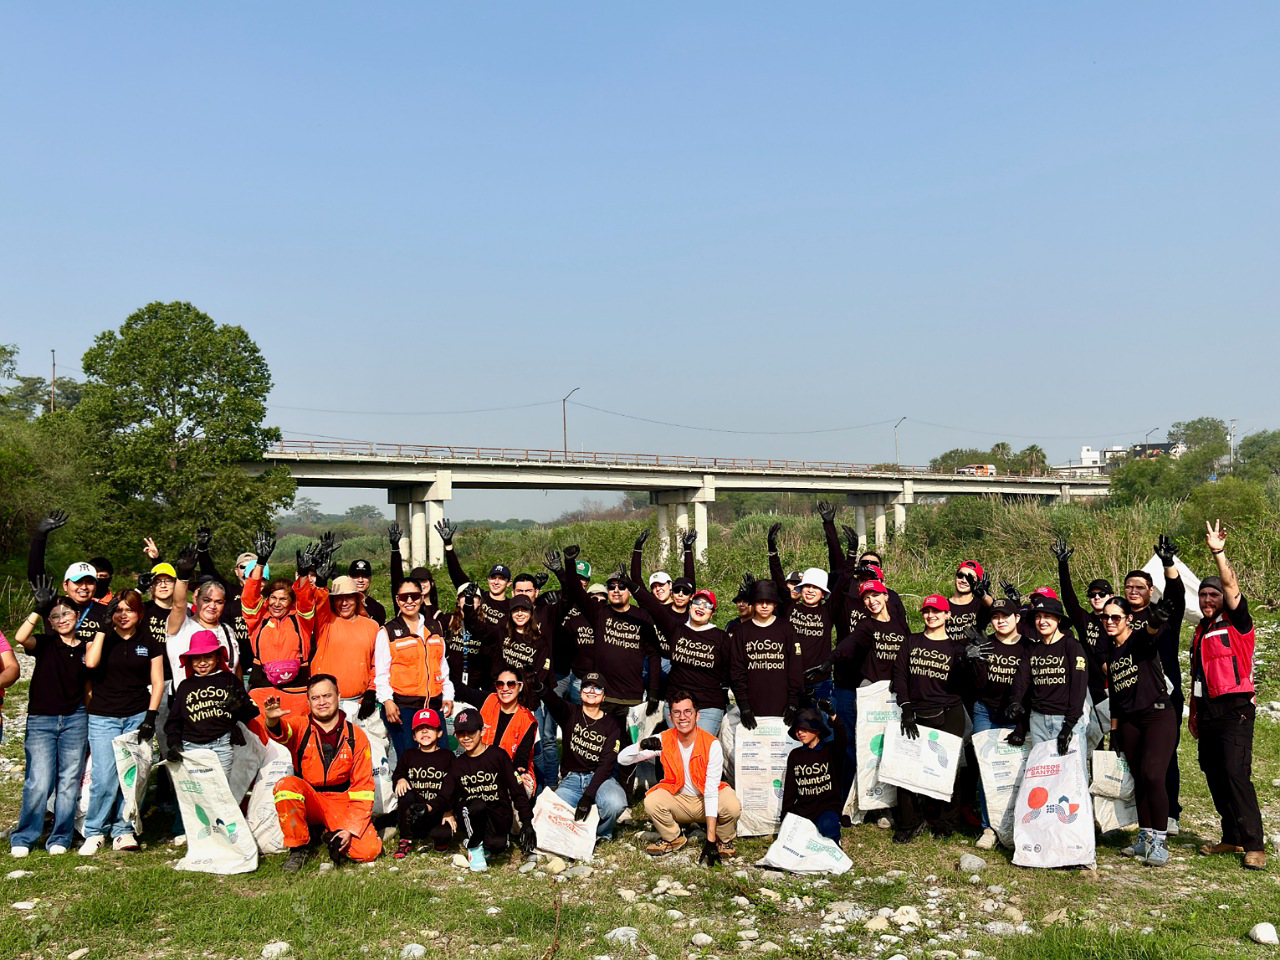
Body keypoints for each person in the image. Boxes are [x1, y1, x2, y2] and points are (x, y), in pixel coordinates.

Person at [1190, 520, 1265, 870]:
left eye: (1214, 594)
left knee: (1236, 773)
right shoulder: (1200, 630)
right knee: (1214, 772)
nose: (1208, 599)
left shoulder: (1237, 623)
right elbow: (1197, 677)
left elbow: (1232, 584)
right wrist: (1193, 715)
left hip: (1235, 709)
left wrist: (1218, 553)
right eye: (1204, 595)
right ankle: (1232, 836)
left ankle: (1254, 845)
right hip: (1208, 713)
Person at [890, 594, 985, 843]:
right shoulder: (910, 641)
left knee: (947, 768)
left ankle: (946, 821)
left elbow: (969, 683)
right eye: (927, 611)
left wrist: (970, 662)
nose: (931, 616)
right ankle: (910, 821)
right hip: (915, 711)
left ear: (947, 615)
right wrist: (906, 707)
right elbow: (900, 676)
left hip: (949, 713)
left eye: (937, 611)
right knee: (907, 769)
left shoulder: (956, 647)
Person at [545, 548, 661, 741]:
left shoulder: (642, 616)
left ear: (629, 591)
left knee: (627, 752)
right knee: (599, 748)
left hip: (631, 698)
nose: (616, 590)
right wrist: (568, 564)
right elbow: (575, 591)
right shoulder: (599, 613)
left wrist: (654, 692)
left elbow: (654, 655)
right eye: (612, 587)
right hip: (603, 697)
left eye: (621, 586)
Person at [268, 674, 382, 871]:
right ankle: (299, 848)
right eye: (315, 698)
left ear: (338, 696)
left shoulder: (356, 736)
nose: (322, 702)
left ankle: (324, 832)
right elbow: (281, 732)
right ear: (309, 701)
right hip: (311, 797)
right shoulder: (300, 726)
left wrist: (350, 829)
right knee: (285, 786)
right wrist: (271, 721)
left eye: (327, 696)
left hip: (341, 801)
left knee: (368, 852)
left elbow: (363, 788)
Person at [80, 590, 164, 854]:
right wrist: (104, 629)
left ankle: (123, 829)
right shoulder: (102, 638)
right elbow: (91, 664)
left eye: (129, 609)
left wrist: (151, 716)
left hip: (137, 715)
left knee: (132, 776)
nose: (123, 615)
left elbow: (158, 681)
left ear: (140, 613)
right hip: (103, 716)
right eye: (118, 609)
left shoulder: (149, 641)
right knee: (104, 776)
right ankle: (94, 830)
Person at [1099, 594, 1179, 866]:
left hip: (1157, 717)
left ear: (1128, 619)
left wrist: (1155, 620)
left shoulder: (1137, 641)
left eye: (1116, 617)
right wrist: (1114, 732)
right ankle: (1144, 836)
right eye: (1105, 617)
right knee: (1139, 779)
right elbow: (1117, 701)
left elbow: (1149, 634)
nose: (1109, 621)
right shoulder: (1112, 652)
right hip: (1129, 722)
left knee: (1153, 775)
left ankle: (1160, 840)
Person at [10, 582, 89, 858]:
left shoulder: (86, 650)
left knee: (69, 781)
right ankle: (25, 835)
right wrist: (37, 609)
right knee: (39, 781)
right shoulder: (44, 644)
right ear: (50, 623)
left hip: (75, 720)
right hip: (41, 721)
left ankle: (61, 836)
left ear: (77, 617)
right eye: (55, 616)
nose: (61, 619)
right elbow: (21, 637)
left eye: (66, 614)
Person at [618, 691, 741, 863]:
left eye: (687, 712)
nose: (682, 717)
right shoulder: (664, 739)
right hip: (679, 800)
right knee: (652, 800)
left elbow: (711, 792)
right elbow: (622, 759)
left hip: (704, 800)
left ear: (697, 716)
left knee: (731, 803)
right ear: (671, 716)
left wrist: (710, 841)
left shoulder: (711, 744)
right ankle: (673, 837)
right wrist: (641, 745)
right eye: (677, 712)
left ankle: (723, 839)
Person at [1119, 534, 1185, 835]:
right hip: (1128, 700)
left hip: (1164, 698)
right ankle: (1142, 820)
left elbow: (1176, 593)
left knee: (1163, 759)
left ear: (1150, 591)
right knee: (1136, 763)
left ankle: (1170, 813)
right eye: (1128, 587)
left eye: (1139, 587)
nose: (1133, 591)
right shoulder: (1116, 619)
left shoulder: (1164, 615)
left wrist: (1167, 563)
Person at [831, 579, 909, 800]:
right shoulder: (866, 625)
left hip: (896, 692)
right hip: (871, 691)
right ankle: (863, 798)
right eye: (866, 598)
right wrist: (831, 659)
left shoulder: (900, 625)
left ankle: (889, 802)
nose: (871, 601)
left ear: (886, 596)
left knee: (893, 746)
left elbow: (907, 655)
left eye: (875, 595)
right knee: (869, 747)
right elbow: (850, 643)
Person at [628, 575, 729, 735]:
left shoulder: (721, 637)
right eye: (697, 602)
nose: (701, 607)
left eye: (707, 605)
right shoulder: (676, 630)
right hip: (676, 704)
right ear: (690, 606)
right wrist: (633, 586)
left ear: (712, 612)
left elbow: (733, 669)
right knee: (679, 756)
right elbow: (653, 606)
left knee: (699, 754)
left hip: (708, 707)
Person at [438, 707, 536, 872]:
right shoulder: (457, 764)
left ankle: (486, 844)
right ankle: (474, 846)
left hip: (499, 814)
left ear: (482, 731)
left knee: (498, 846)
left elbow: (517, 790)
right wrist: (439, 809)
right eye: (461, 733)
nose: (466, 738)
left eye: (471, 732)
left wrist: (527, 822)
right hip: (473, 813)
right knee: (477, 804)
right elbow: (445, 794)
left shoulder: (498, 756)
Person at [968, 597, 1030, 850]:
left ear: (1017, 618)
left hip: (1017, 715)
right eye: (995, 617)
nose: (1000, 620)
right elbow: (978, 686)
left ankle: (1017, 824)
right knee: (987, 771)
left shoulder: (1029, 646)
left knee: (1017, 772)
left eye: (1006, 616)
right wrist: (974, 661)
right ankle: (989, 827)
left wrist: (1022, 725)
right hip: (986, 711)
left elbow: (1033, 688)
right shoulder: (986, 644)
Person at [1007, 596, 1089, 781]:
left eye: (1048, 616)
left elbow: (1079, 689)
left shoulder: (1072, 646)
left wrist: (1068, 727)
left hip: (1067, 720)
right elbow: (1021, 680)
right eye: (1038, 617)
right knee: (1044, 781)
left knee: (1075, 779)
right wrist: (1015, 701)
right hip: (1038, 722)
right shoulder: (1032, 650)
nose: (1042, 621)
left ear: (1058, 619)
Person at [374, 579, 454, 758]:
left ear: (422, 597)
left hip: (433, 706)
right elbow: (381, 674)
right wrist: (387, 701)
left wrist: (448, 695)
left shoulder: (435, 627)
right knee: (409, 761)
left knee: (443, 759)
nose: (409, 601)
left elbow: (442, 665)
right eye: (404, 597)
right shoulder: (387, 632)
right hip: (403, 708)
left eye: (414, 596)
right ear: (397, 600)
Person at [165, 629, 260, 781]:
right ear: (190, 660)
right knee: (200, 794)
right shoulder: (185, 686)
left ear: (217, 658)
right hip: (191, 747)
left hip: (221, 745)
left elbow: (253, 712)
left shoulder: (229, 679)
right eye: (196, 658)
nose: (202, 662)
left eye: (208, 657)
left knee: (221, 792)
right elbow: (174, 720)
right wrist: (174, 743)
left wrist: (239, 708)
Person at [545, 671, 628, 839]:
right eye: (587, 686)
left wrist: (587, 797)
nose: (592, 691)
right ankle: (578, 833)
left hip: (600, 779)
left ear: (604, 696)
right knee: (553, 810)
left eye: (597, 688)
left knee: (616, 804)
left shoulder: (613, 725)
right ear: (581, 691)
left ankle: (600, 833)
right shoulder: (570, 712)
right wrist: (540, 687)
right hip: (572, 780)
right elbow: (552, 701)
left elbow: (606, 765)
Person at [241, 531, 316, 690]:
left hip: (296, 688)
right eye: (273, 598)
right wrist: (260, 562)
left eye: (283, 599)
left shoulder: (301, 620)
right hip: (262, 686)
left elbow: (306, 602)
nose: (277, 604)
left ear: (291, 602)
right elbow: (249, 596)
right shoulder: (258, 619)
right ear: (267, 599)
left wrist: (303, 574)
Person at [729, 578, 803, 729]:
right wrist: (743, 705)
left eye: (768, 601)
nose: (764, 605)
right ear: (753, 603)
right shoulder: (742, 631)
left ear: (775, 603)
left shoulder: (786, 629)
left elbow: (795, 667)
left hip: (782, 705)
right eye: (760, 601)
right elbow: (737, 669)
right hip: (752, 705)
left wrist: (794, 701)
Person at [309, 576, 381, 727]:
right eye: (338, 599)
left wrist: (371, 691)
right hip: (325, 704)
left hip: (359, 703)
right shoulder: (326, 622)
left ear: (356, 599)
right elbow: (319, 605)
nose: (344, 603)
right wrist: (321, 585)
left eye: (349, 598)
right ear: (332, 601)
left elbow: (377, 664)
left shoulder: (372, 626)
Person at [27, 510, 108, 644]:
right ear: (66, 585)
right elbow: (35, 574)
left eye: (89, 582)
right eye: (78, 582)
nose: (84, 587)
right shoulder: (54, 605)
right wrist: (40, 537)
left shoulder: (105, 612)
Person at [391, 708, 456, 858]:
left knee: (442, 835)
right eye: (420, 729)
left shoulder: (447, 756)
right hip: (415, 813)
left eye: (430, 728)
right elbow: (398, 772)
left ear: (439, 733)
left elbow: (451, 789)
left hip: (437, 811)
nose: (425, 732)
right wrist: (400, 779)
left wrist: (449, 811)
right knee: (405, 793)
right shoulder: (409, 755)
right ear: (414, 736)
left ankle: (438, 839)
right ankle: (405, 839)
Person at [781, 702, 846, 843]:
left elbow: (842, 738)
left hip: (827, 809)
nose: (800, 733)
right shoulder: (795, 755)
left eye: (804, 729)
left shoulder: (830, 751)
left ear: (816, 730)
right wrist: (785, 818)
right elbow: (790, 789)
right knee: (792, 841)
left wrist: (832, 715)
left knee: (827, 828)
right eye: (798, 729)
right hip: (803, 810)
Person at [437, 518, 511, 627]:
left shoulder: (511, 606)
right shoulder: (477, 595)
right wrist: (448, 545)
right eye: (493, 577)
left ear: (508, 583)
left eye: (501, 578)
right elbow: (457, 574)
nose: (496, 582)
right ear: (488, 579)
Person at [478, 664, 538, 794]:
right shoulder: (489, 700)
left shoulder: (527, 719)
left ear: (520, 686)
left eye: (511, 684)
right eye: (500, 684)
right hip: (482, 768)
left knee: (519, 788)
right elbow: (461, 689)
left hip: (514, 770)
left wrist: (515, 775)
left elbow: (522, 757)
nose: (505, 689)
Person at [346, 558, 386, 625]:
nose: (360, 580)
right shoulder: (341, 605)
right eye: (356, 576)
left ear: (370, 578)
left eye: (365, 576)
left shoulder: (378, 608)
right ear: (349, 577)